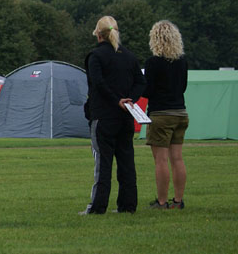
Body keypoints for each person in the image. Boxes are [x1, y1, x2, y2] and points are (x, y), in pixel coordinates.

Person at [80, 16, 146, 215]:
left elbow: (98, 83)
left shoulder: (95, 57)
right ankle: (128, 205)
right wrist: (129, 100)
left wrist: (116, 100)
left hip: (103, 116)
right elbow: (141, 82)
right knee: (126, 161)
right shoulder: (129, 57)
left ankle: (98, 206)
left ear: (98, 34)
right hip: (126, 117)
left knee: (103, 163)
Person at [143, 20, 188, 210]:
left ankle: (161, 201)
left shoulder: (153, 63)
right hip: (181, 113)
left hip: (161, 114)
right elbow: (183, 87)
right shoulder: (182, 61)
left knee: (160, 159)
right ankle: (178, 201)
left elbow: (148, 90)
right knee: (177, 158)